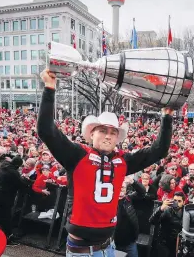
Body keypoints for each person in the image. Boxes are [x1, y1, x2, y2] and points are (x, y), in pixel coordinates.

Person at [37, 69, 173, 256]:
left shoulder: (122, 160)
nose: (108, 136)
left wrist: (166, 117)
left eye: (113, 133)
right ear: (91, 133)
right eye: (103, 131)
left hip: (109, 245)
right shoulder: (76, 155)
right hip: (82, 250)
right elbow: (46, 130)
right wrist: (49, 88)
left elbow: (159, 150)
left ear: (118, 138)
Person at [0, 154, 23, 245]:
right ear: (17, 165)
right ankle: (8, 237)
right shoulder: (13, 172)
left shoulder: (3, 167)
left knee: (1, 215)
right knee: (6, 216)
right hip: (5, 196)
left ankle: (2, 235)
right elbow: (20, 184)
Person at [149, 191, 186, 257]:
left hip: (179, 244)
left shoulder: (186, 212)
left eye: (179, 201)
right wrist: (160, 209)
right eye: (175, 200)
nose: (176, 203)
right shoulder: (167, 210)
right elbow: (152, 221)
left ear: (184, 202)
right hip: (165, 243)